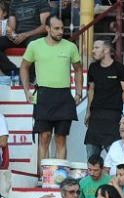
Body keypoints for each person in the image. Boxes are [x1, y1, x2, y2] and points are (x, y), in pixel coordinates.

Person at [20, 16, 82, 180]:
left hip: (63, 95)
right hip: (43, 95)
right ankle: (45, 178)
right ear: (47, 28)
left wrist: (79, 92)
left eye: (62, 28)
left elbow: (78, 68)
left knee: (61, 139)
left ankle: (59, 179)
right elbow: (24, 67)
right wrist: (26, 90)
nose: (61, 32)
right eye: (56, 28)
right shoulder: (35, 45)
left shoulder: (70, 46)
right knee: (44, 137)